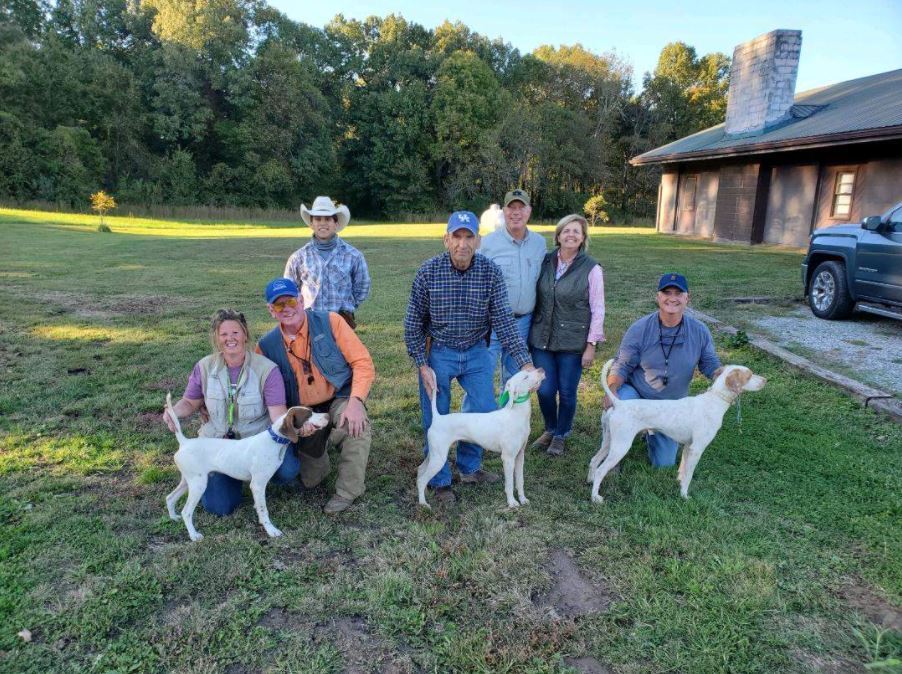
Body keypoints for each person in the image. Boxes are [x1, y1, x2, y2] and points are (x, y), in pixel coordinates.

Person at [403, 211, 536, 504]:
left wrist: (525, 362)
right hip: (439, 350)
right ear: (446, 240)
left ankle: (468, 467)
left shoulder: (490, 272)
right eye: (456, 237)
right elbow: (413, 323)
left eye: (469, 237)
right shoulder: (427, 272)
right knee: (434, 414)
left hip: (477, 350)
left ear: (477, 241)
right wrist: (421, 364)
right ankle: (439, 482)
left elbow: (503, 320)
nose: (462, 244)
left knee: (486, 408)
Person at [257, 277, 375, 514]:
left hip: (339, 396)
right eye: (279, 305)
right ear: (271, 311)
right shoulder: (266, 346)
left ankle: (348, 491)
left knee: (356, 427)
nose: (287, 308)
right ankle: (320, 454)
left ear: (301, 300)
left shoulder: (331, 321)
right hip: (303, 410)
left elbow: (363, 363)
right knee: (311, 479)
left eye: (291, 300)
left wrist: (356, 402)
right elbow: (260, 388)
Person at [162, 308, 295, 516]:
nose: (230, 339)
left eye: (235, 333)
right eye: (223, 334)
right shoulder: (205, 366)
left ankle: (253, 475)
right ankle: (234, 477)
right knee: (219, 507)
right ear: (217, 338)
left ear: (245, 335)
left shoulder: (267, 370)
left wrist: (295, 427)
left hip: (252, 445)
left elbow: (278, 414)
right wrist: (173, 412)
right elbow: (189, 402)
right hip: (216, 447)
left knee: (288, 468)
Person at [603, 273, 722, 467]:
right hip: (637, 395)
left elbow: (709, 363)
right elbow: (622, 364)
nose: (672, 298)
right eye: (666, 292)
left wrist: (725, 377)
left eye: (678, 293)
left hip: (671, 407)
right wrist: (612, 390)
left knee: (664, 464)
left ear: (687, 298)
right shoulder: (639, 328)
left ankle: (648, 434)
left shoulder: (700, 330)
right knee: (619, 404)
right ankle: (611, 454)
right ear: (658, 297)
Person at [528, 214, 606, 456]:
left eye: (577, 232)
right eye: (566, 231)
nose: (571, 235)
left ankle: (562, 433)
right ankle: (550, 428)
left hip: (573, 341)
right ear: (558, 236)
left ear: (583, 238)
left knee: (568, 391)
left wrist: (591, 344)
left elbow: (598, 307)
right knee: (545, 389)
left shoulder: (591, 268)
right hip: (542, 337)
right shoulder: (545, 261)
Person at [479, 189, 547, 389]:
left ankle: (507, 416)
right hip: (490, 323)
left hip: (522, 321)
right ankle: (474, 417)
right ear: (504, 212)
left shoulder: (539, 243)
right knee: (481, 375)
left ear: (529, 211)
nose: (516, 212)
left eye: (521, 207)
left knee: (514, 376)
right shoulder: (487, 243)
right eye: (511, 207)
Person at [284, 196, 371, 328]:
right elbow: (289, 289)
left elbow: (362, 287)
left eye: (328, 219)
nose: (323, 223)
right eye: (318, 219)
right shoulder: (299, 257)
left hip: (342, 323)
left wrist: (348, 306)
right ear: (311, 224)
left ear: (336, 224)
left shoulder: (353, 256)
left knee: (341, 349)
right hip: (308, 322)